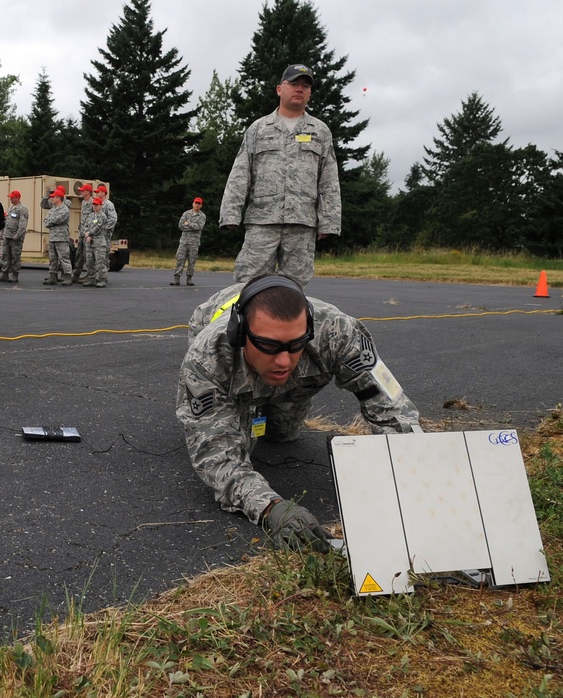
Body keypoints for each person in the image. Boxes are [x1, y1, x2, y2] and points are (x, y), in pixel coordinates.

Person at [176, 274, 419, 552]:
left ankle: (274, 402)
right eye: (269, 346)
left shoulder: (339, 332)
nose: (283, 360)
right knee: (242, 445)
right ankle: (249, 407)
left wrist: (415, 467)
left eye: (295, 345)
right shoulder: (207, 358)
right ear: (241, 333)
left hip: (296, 385)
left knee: (283, 434)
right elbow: (217, 456)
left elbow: (389, 402)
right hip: (232, 370)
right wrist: (270, 508)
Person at [218, 64, 341, 289]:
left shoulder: (320, 131)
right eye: (294, 83)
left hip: (302, 225)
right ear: (279, 89)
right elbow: (240, 172)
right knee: (249, 286)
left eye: (305, 86)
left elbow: (329, 179)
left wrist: (329, 221)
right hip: (262, 223)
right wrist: (230, 214)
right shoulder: (258, 129)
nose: (299, 89)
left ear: (310, 93)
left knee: (294, 290)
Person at [171, 197, 206, 286]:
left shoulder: (202, 216)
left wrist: (188, 224)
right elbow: (180, 225)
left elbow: (199, 227)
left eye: (199, 203)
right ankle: (176, 278)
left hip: (194, 243)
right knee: (180, 259)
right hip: (184, 241)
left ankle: (189, 278)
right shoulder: (186, 214)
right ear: (193, 203)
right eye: (196, 203)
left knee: (192, 261)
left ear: (201, 205)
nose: (197, 205)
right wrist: (191, 227)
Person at [41, 189, 72, 286]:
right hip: (53, 237)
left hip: (61, 238)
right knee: (52, 258)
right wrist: (50, 221)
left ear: (58, 198)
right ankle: (53, 276)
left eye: (53, 197)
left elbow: (58, 220)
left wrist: (50, 221)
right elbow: (45, 221)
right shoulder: (53, 209)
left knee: (64, 258)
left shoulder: (64, 209)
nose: (52, 199)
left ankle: (67, 276)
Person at [0, 189, 29, 283]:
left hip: (15, 237)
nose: (10, 199)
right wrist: (2, 234)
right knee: (5, 256)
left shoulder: (22, 209)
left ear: (17, 198)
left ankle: (15, 274)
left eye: (12, 197)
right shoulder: (10, 208)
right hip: (7, 236)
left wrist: (18, 235)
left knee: (15, 256)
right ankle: (4, 274)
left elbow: (23, 224)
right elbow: (7, 222)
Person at [82, 197, 109, 287]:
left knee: (100, 262)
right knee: (89, 262)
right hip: (89, 242)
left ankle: (102, 279)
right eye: (93, 204)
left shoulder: (103, 216)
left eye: (96, 205)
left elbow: (98, 228)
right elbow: (84, 226)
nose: (95, 206)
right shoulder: (90, 216)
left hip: (99, 243)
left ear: (101, 205)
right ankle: (91, 278)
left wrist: (88, 233)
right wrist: (87, 235)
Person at [73, 183, 94, 283]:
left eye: (83, 190)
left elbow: (95, 219)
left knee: (88, 255)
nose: (81, 191)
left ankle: (90, 275)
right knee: (79, 254)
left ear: (88, 192)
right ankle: (76, 274)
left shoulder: (93, 203)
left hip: (88, 233)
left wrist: (90, 231)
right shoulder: (84, 203)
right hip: (82, 232)